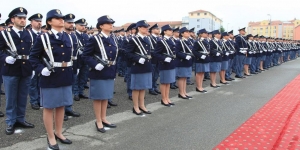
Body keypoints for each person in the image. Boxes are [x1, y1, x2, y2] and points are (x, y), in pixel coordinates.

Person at [30, 9, 73, 149]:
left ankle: (59, 132)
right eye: (58, 18)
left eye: (62, 18)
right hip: (50, 76)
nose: (62, 20)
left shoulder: (67, 37)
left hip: (65, 75)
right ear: (49, 22)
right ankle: (50, 136)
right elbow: (33, 57)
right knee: (49, 108)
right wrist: (41, 69)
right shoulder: (43, 37)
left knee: (61, 105)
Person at [0, 7, 35, 135]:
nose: (22, 20)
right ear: (12, 19)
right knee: (10, 98)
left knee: (22, 97)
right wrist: (5, 58)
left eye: (24, 18)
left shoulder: (29, 34)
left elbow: (33, 53)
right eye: (20, 18)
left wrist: (33, 68)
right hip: (10, 69)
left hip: (25, 69)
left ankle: (21, 119)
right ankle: (10, 121)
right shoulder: (4, 34)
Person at [82, 15, 117, 133]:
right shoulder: (94, 38)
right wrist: (94, 64)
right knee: (98, 97)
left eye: (111, 23)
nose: (111, 25)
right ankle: (98, 120)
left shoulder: (112, 38)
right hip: (98, 71)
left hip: (110, 70)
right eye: (108, 23)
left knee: (106, 96)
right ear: (101, 26)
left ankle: (104, 118)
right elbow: (85, 55)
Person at [125, 20, 153, 115]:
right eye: (144, 27)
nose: (146, 29)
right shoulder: (134, 39)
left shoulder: (146, 39)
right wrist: (137, 59)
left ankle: (142, 105)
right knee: (136, 88)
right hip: (137, 66)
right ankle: (135, 107)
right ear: (139, 28)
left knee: (143, 87)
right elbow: (128, 53)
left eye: (147, 27)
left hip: (146, 65)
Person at [63, 13, 81, 121]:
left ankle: (68, 107)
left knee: (69, 88)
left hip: (72, 65)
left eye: (72, 23)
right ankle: (62, 110)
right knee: (62, 89)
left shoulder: (73, 36)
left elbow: (76, 53)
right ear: (64, 23)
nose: (71, 24)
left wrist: (77, 66)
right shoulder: (62, 35)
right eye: (69, 23)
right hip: (62, 66)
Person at [153, 24, 176, 106]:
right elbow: (156, 53)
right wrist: (164, 58)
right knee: (164, 82)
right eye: (169, 30)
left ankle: (167, 97)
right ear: (165, 31)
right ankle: (163, 99)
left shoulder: (171, 40)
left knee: (168, 82)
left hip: (171, 63)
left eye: (171, 30)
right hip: (165, 64)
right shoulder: (161, 41)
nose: (171, 31)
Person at [28, 13, 43, 110]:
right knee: (33, 83)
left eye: (40, 21)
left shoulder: (44, 35)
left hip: (42, 63)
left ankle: (40, 100)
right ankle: (34, 101)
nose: (39, 23)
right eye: (37, 21)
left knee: (41, 83)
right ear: (31, 22)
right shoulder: (28, 34)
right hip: (31, 62)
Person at [73, 18, 89, 101]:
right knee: (76, 77)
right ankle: (75, 93)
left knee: (83, 76)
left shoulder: (85, 36)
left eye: (84, 25)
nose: (83, 27)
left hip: (84, 59)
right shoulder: (73, 35)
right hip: (77, 59)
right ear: (76, 26)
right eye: (81, 25)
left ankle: (81, 91)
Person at [175, 27, 193, 99]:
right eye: (186, 32)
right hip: (182, 62)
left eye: (188, 32)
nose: (188, 33)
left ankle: (184, 92)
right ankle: (181, 93)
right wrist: (185, 56)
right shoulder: (179, 41)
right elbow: (177, 52)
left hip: (187, 61)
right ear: (182, 34)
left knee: (185, 78)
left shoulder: (188, 41)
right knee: (181, 78)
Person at [192, 29, 210, 93]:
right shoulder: (198, 41)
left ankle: (201, 86)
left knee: (202, 73)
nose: (206, 34)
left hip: (205, 58)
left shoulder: (206, 41)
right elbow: (194, 51)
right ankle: (198, 87)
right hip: (200, 59)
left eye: (206, 33)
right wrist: (200, 56)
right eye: (205, 33)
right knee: (199, 73)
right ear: (201, 34)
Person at [124, 23, 136, 100]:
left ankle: (136, 92)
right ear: (130, 30)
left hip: (138, 62)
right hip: (130, 61)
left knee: (137, 78)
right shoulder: (127, 39)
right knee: (130, 78)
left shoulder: (139, 38)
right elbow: (125, 51)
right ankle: (130, 93)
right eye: (134, 29)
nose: (136, 30)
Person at [148, 23, 161, 95]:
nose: (158, 30)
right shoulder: (149, 38)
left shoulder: (159, 38)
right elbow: (150, 50)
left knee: (156, 75)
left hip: (158, 59)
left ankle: (155, 87)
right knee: (152, 75)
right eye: (157, 29)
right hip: (152, 59)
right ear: (152, 30)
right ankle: (151, 88)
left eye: (158, 29)